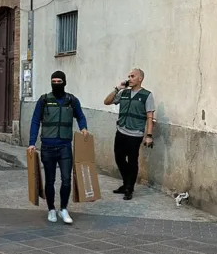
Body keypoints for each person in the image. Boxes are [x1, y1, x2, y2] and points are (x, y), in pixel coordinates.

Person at [28, 71, 89, 224]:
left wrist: (84, 128)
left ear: (64, 82)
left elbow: (80, 116)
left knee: (67, 179)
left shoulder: (71, 100)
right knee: (49, 181)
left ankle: (63, 209)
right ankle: (51, 209)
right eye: (53, 81)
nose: (56, 84)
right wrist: (31, 143)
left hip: (65, 147)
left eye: (59, 81)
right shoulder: (44, 100)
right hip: (47, 147)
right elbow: (35, 121)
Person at [103, 68, 156, 200]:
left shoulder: (146, 95)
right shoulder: (124, 93)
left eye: (132, 76)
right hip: (121, 131)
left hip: (135, 134)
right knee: (119, 158)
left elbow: (150, 117)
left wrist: (149, 135)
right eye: (129, 76)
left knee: (132, 161)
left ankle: (129, 188)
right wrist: (117, 88)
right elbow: (107, 101)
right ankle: (127, 183)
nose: (129, 78)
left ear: (140, 79)